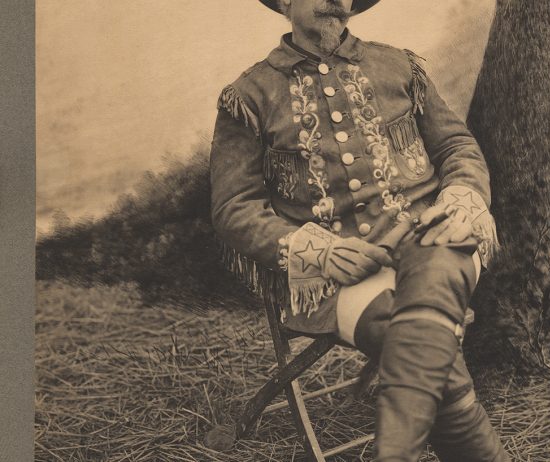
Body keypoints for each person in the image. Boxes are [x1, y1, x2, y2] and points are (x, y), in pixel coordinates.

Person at [209, 0, 510, 460]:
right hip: (337, 271)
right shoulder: (249, 96)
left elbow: (455, 145)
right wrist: (320, 253)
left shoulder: (399, 66)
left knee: (423, 310)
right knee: (416, 341)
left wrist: (459, 199)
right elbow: (234, 207)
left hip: (430, 235)